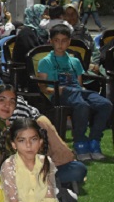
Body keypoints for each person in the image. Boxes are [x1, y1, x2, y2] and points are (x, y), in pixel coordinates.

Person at [0, 84, 87, 192]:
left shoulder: (9, 127)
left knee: (77, 169)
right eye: (2, 100)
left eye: (12, 102)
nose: (7, 105)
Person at [37, 24, 112, 160]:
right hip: (59, 94)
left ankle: (94, 140)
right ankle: (80, 142)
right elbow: (43, 87)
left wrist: (82, 91)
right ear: (51, 41)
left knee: (105, 104)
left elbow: (79, 84)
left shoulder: (75, 61)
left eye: (64, 40)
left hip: (77, 92)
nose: (60, 44)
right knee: (81, 105)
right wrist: (57, 89)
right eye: (57, 40)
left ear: (69, 42)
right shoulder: (45, 62)